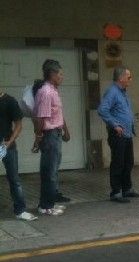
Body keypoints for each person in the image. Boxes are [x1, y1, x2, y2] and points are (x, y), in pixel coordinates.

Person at [98, 66, 139, 203]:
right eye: (129, 77)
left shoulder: (123, 92)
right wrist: (115, 125)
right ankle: (116, 192)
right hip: (118, 134)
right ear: (121, 78)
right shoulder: (112, 92)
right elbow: (102, 110)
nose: (130, 79)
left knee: (128, 162)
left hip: (127, 134)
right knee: (118, 163)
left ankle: (127, 189)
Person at [33, 59, 70, 215]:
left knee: (52, 170)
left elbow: (57, 114)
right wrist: (39, 137)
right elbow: (41, 118)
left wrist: (66, 130)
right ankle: (46, 206)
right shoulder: (46, 92)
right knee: (49, 171)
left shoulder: (54, 90)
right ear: (52, 74)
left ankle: (48, 203)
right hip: (49, 136)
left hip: (56, 134)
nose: (62, 77)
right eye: (60, 74)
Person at [0, 90, 37, 221]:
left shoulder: (9, 101)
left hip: (6, 145)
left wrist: (10, 141)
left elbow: (18, 124)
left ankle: (20, 210)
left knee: (14, 179)